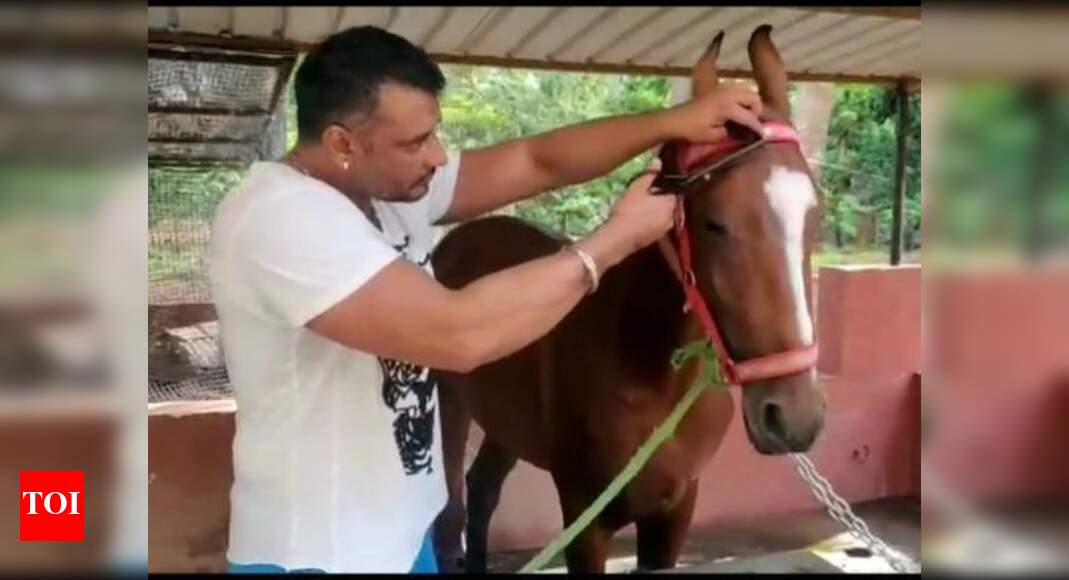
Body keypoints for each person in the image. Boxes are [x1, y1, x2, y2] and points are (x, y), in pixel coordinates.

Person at [210, 25, 762, 574]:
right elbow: (458, 335)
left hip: (400, 537)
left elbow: (535, 161)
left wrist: (674, 122)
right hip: (318, 554)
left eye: (434, 133)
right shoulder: (281, 218)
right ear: (342, 143)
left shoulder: (387, 189)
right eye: (414, 142)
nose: (437, 156)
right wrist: (613, 241)